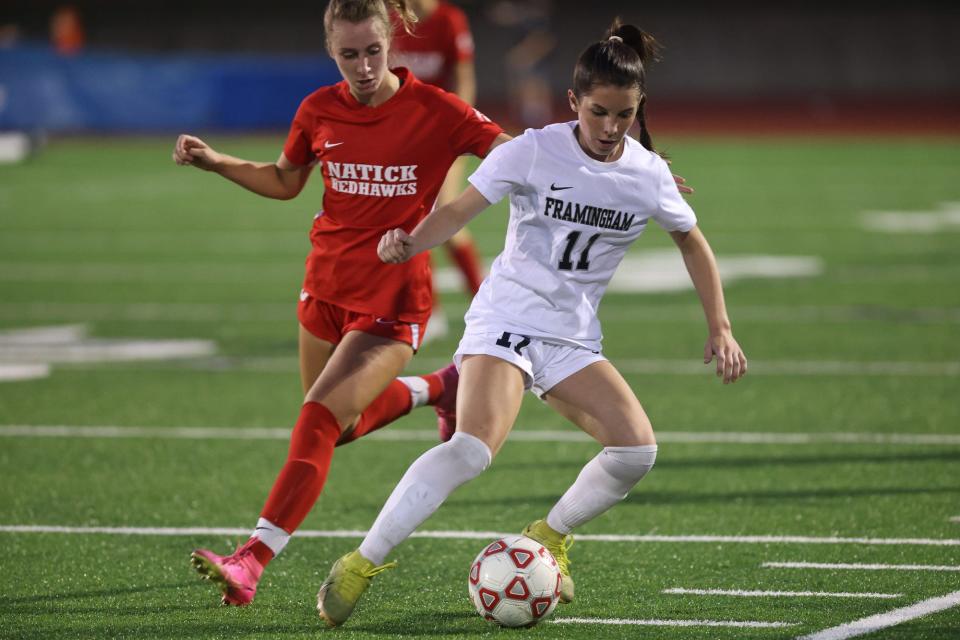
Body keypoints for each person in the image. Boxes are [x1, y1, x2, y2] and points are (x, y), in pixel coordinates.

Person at [314, 18, 747, 627]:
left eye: (623, 115)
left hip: (572, 337)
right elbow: (460, 209)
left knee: (635, 451)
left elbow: (692, 241)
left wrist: (720, 326)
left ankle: (551, 534)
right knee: (470, 450)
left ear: (638, 108)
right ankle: (363, 562)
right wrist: (410, 243)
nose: (609, 127)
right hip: (506, 320)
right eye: (598, 112)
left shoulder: (647, 174)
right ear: (573, 102)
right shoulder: (533, 149)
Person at [171, 0, 510, 607]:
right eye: (349, 54)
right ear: (332, 51)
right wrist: (214, 161)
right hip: (323, 289)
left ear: (392, 46)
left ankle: (252, 558)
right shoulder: (318, 109)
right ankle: (442, 387)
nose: (362, 65)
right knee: (340, 428)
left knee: (316, 420)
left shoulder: (436, 111)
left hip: (393, 300)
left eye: (373, 51)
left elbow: (515, 154)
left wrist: (624, 169)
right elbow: (285, 180)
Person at [391, 0, 486, 343]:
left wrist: (459, 132)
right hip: (402, 139)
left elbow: (465, 82)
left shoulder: (449, 20)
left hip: (444, 136)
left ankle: (482, 300)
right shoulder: (388, 18)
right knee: (411, 220)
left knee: (442, 214)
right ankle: (430, 311)